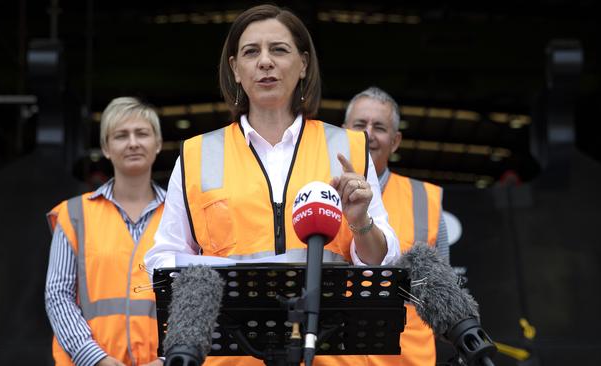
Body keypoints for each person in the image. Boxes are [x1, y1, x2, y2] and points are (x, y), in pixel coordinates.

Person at [145, 4, 400, 366]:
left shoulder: (348, 148)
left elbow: (382, 259)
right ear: (235, 69)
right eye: (251, 52)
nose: (265, 62)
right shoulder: (196, 154)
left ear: (304, 65)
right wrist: (232, 273)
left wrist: (360, 223)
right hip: (229, 357)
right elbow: (161, 259)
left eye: (279, 50)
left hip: (327, 351)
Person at [45, 97, 165, 366]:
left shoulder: (182, 216)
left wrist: (170, 359)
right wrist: (96, 359)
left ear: (157, 143)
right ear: (106, 148)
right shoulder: (74, 215)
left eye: (142, 133)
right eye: (121, 135)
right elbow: (58, 295)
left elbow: (194, 296)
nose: (132, 143)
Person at [343, 86, 449, 366]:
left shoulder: (425, 199)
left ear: (396, 140)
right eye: (359, 125)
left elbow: (440, 297)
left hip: (406, 358)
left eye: (379, 127)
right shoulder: (318, 192)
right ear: (343, 132)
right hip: (336, 357)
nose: (368, 134)